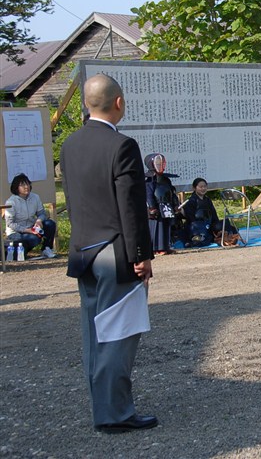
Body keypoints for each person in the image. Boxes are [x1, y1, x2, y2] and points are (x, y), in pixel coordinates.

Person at [60, 73, 157, 433]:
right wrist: (141, 255)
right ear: (119, 103)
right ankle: (115, 413)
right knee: (119, 333)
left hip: (83, 251)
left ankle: (102, 408)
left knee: (93, 334)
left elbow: (73, 201)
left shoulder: (69, 145)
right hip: (116, 252)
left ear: (87, 103)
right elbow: (129, 207)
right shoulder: (123, 146)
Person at [4, 173, 57, 258]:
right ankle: (20, 253)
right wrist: (26, 230)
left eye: (27, 184)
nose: (26, 187)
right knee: (34, 238)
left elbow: (42, 213)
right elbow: (10, 223)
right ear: (16, 187)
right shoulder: (11, 201)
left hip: (32, 227)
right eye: (22, 185)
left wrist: (39, 220)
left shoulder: (35, 197)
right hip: (16, 232)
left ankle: (46, 249)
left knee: (50, 224)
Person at [180, 177, 239, 247]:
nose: (203, 189)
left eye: (205, 186)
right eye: (200, 187)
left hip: (209, 224)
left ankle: (227, 239)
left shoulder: (207, 200)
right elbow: (190, 218)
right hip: (197, 226)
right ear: (194, 188)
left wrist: (217, 225)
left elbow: (214, 214)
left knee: (227, 226)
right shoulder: (191, 201)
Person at [144, 153, 179, 256]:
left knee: (166, 226)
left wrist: (176, 204)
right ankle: (156, 248)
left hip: (167, 205)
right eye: (157, 163)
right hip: (156, 206)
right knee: (157, 226)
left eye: (161, 163)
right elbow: (149, 195)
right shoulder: (149, 180)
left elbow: (172, 193)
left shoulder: (166, 179)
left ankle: (165, 247)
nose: (160, 165)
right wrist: (152, 207)